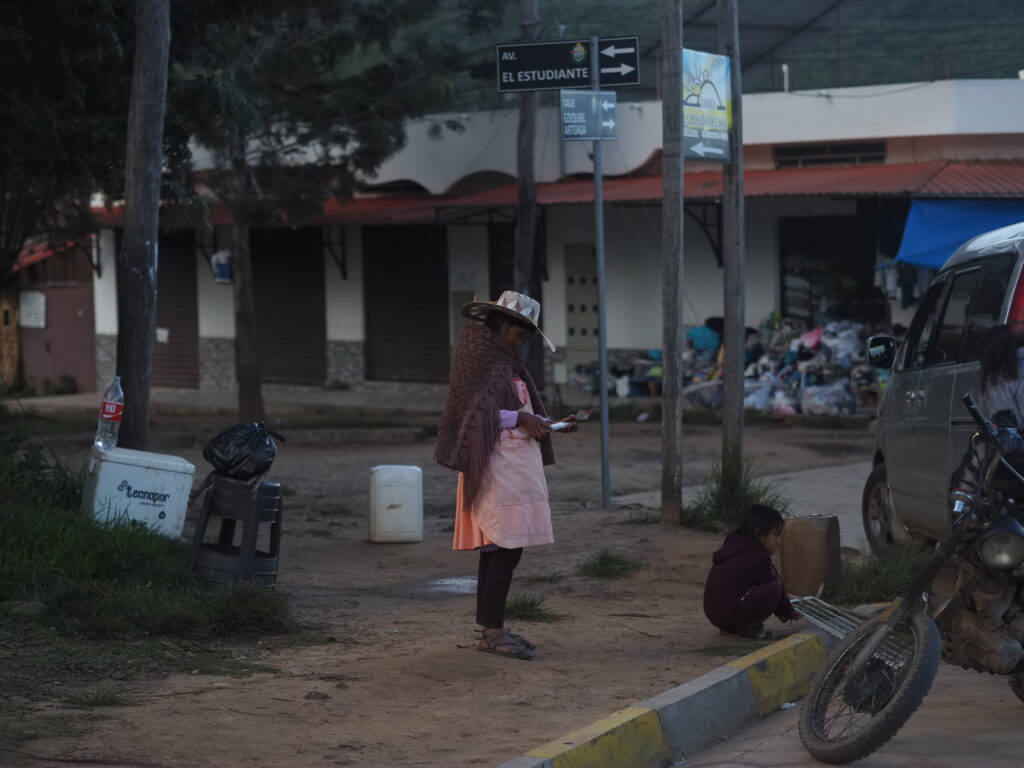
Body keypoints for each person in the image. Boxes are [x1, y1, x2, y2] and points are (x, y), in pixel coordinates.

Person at [434, 291, 576, 661]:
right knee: (505, 547)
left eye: (527, 336)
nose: (522, 341)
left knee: (503, 547)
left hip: (515, 464)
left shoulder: (507, 360)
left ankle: (491, 627)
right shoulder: (477, 355)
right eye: (519, 333)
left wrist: (548, 423)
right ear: (501, 324)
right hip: (494, 465)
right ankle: (492, 631)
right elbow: (471, 415)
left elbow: (512, 409)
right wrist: (522, 418)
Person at [702, 504, 799, 640]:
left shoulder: (735, 547)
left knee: (768, 587)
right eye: (776, 536)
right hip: (727, 615)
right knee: (772, 589)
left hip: (716, 615)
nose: (780, 542)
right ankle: (751, 630)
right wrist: (788, 611)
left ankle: (734, 626)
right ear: (759, 535)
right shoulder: (756, 558)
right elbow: (774, 582)